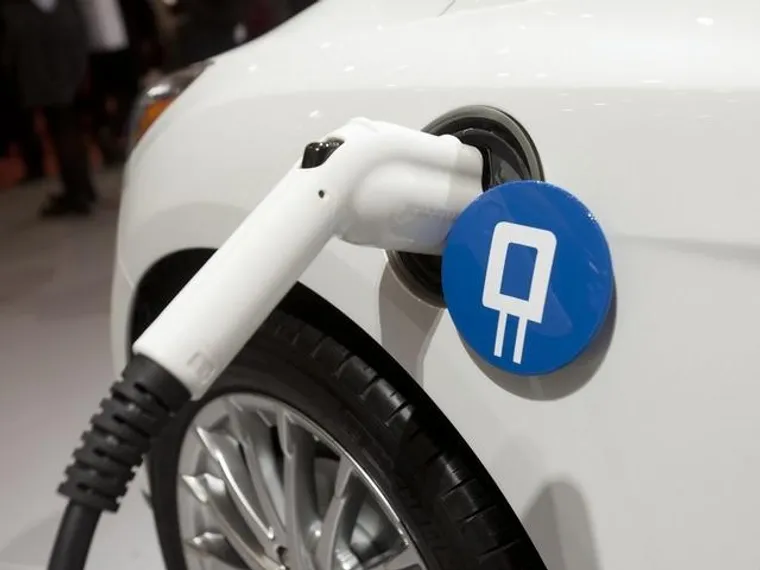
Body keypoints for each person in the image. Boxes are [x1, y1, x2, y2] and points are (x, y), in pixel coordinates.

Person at [1, 0, 96, 217]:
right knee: (69, 129)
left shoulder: (19, 10)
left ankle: (76, 192)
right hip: (66, 73)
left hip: (47, 77)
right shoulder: (63, 7)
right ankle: (82, 186)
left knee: (62, 131)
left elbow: (15, 45)